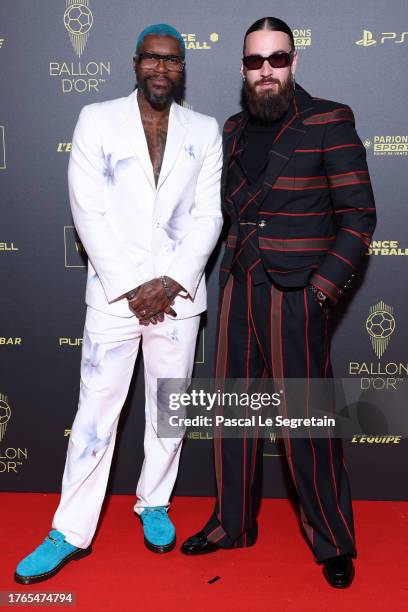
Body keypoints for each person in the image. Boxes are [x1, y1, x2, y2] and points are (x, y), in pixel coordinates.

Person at [15, 23, 222, 585]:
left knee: (169, 410)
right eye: (152, 59)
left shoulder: (203, 131)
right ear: (135, 64)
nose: (162, 69)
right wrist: (135, 288)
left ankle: (154, 502)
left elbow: (209, 216)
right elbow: (88, 212)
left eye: (173, 61)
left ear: (183, 67)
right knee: (94, 417)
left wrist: (170, 283)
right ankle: (70, 530)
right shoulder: (96, 120)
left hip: (179, 300)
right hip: (115, 299)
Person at [181, 17, 376, 589]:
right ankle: (232, 525)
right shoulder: (234, 128)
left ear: (296, 62)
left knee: (307, 423)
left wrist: (321, 290)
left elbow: (359, 216)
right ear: (242, 68)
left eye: (277, 59)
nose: (266, 70)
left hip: (298, 293)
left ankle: (334, 540)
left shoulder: (329, 120)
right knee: (233, 416)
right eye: (254, 61)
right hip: (240, 285)